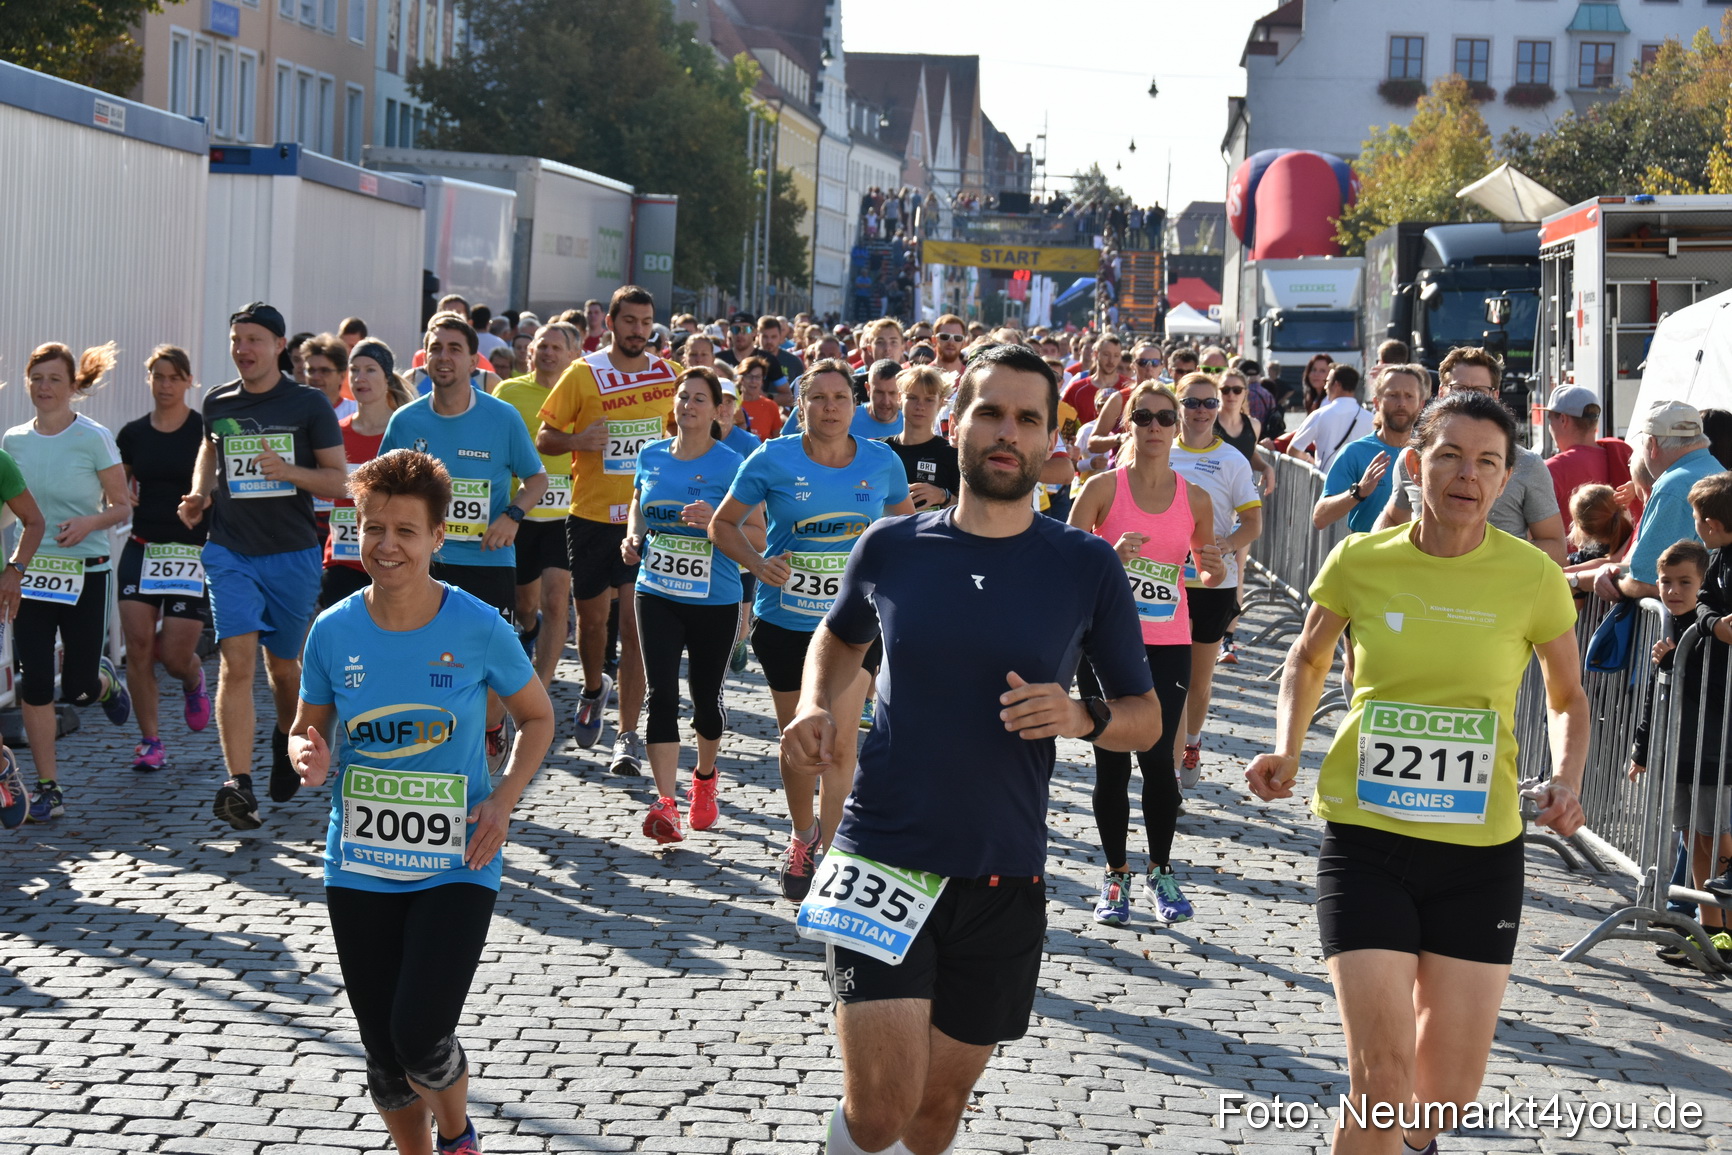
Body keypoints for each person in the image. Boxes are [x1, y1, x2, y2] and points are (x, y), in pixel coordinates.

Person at [778, 344, 1161, 1155]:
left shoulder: (1083, 564)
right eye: (990, 411)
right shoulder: (891, 545)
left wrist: (1078, 715)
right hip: (882, 854)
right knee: (880, 1109)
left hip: (1002, 869)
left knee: (933, 1114)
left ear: (1051, 442)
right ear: (955, 424)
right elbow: (838, 636)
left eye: (1028, 418)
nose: (1006, 432)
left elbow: (1146, 716)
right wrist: (815, 702)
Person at [1247, 389, 1588, 1155]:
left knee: (1446, 1093)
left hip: (1479, 852)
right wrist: (1287, 746)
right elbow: (1307, 658)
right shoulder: (1362, 559)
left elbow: (1568, 695)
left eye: (1487, 462)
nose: (1467, 475)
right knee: (1381, 1074)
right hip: (1369, 840)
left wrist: (1567, 775)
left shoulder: (1530, 577)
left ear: (1506, 481)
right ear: (1415, 463)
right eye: (1450, 455)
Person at [288, 448, 553, 1155]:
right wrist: (306, 753)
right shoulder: (334, 628)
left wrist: (502, 799)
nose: (387, 544)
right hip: (361, 860)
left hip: (458, 855)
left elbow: (537, 717)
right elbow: (305, 728)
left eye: (406, 530)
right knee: (383, 1056)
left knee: (419, 1032)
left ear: (439, 537)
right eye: (375, 527)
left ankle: (458, 1132)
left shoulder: (477, 626)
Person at [709, 358, 915, 900]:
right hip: (786, 622)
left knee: (841, 744)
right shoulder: (771, 458)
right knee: (802, 744)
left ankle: (832, 854)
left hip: (856, 626)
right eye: (818, 398)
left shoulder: (881, 460)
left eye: (840, 398)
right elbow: (721, 524)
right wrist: (757, 563)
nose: (830, 408)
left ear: (856, 404)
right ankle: (802, 835)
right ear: (801, 406)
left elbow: (905, 532)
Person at [186, 302, 349, 831]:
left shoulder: (307, 404)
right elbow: (211, 449)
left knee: (284, 668)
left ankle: (286, 739)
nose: (243, 349)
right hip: (230, 549)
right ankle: (240, 783)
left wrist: (288, 471)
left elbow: (338, 480)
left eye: (254, 339)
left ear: (279, 346)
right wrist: (198, 492)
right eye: (236, 339)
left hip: (291, 553)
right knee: (236, 660)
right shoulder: (218, 402)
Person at [1069, 381, 1225, 926]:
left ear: (1177, 426)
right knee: (1111, 764)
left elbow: (1204, 566)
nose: (1154, 426)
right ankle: (1115, 877)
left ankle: (1161, 871)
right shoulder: (1101, 488)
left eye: (1164, 417)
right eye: (1144, 417)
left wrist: (1212, 571)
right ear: (1130, 425)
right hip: (1107, 643)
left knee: (1159, 763)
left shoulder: (1195, 498)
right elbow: (1067, 562)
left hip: (1167, 642)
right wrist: (1110, 556)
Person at [380, 313, 548, 770]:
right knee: (423, 657)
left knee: (488, 668)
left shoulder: (501, 417)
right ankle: (433, 748)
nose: (444, 357)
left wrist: (512, 516)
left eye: (454, 349)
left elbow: (536, 478)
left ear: (474, 360)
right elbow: (383, 489)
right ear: (424, 357)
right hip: (425, 563)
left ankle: (493, 726)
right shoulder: (405, 421)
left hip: (489, 560)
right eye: (436, 348)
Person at [537, 285, 679, 774]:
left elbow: (687, 433)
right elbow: (545, 437)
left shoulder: (668, 377)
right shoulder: (584, 374)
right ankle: (594, 688)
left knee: (634, 629)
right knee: (593, 623)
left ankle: (628, 735)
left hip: (647, 521)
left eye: (646, 322)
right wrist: (579, 439)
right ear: (612, 324)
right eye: (630, 321)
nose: (639, 330)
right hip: (592, 516)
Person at [622, 367, 764, 844]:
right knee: (661, 694)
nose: (688, 405)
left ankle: (704, 779)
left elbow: (761, 534)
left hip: (715, 596)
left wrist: (717, 523)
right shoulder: (652, 455)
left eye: (699, 399)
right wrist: (633, 537)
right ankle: (665, 803)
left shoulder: (733, 465)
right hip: (656, 589)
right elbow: (639, 502)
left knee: (706, 701)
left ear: (716, 408)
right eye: (683, 397)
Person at [8, 343, 132, 820]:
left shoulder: (93, 437)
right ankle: (47, 787)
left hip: (86, 571)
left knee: (76, 687)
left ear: (72, 386)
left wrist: (88, 523)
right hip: (31, 573)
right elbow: (11, 509)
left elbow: (122, 506)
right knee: (35, 682)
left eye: (54, 379)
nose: (44, 387)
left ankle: (104, 682)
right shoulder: (14, 441)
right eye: (36, 378)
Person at [1628, 537, 1732, 962]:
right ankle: (1707, 931)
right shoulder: (1672, 624)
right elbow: (1660, 694)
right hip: (1681, 753)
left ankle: (1725, 933)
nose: (1671, 591)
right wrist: (1642, 748)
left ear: (1703, 585)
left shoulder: (1712, 630)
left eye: (1683, 582)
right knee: (1692, 838)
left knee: (1716, 837)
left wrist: (1675, 663)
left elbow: (1714, 689)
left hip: (1716, 754)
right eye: (1665, 581)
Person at [1376, 348, 1567, 566]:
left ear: (1495, 396)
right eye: (1459, 389)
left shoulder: (1528, 465)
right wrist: (1372, 560)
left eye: (1479, 390)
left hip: (1495, 594)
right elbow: (1392, 518)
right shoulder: (1417, 460)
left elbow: (1554, 545)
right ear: (1441, 393)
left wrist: (1486, 564)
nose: (1469, 398)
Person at [117, 345, 213, 773]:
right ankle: (150, 740)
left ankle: (193, 679)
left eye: (174, 377)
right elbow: (116, 485)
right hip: (142, 547)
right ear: (149, 381)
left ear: (189, 381)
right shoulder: (133, 434)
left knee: (173, 656)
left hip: (188, 552)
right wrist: (118, 493)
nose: (166, 385)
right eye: (158, 377)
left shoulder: (203, 431)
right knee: (137, 647)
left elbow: (218, 482)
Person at [1169, 372, 1262, 785]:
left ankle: (1191, 742)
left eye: (1209, 403)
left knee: (1198, 679)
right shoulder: (1157, 450)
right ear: (1179, 406)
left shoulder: (1232, 460)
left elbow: (1252, 524)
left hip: (1212, 583)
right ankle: (1164, 757)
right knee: (1164, 673)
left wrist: (1222, 547)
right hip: (1163, 580)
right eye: (1192, 403)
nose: (1202, 411)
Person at [491, 321, 582, 688]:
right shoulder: (509, 391)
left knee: (558, 599)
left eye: (557, 348)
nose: (548, 353)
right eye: (542, 346)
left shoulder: (582, 393)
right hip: (519, 511)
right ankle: (530, 629)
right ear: (529, 351)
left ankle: (541, 685)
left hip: (565, 514)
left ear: (574, 355)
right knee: (525, 603)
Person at [320, 339, 413, 611]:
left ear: (387, 376)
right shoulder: (334, 433)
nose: (360, 378)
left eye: (370, 369)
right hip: (342, 558)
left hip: (392, 556)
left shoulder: (406, 431)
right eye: (354, 369)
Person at [1313, 364, 1428, 535]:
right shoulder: (1354, 453)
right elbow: (1320, 517)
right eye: (1393, 395)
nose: (1401, 403)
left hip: (1418, 559)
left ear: (1421, 404)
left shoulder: (1431, 454)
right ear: (1377, 402)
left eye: (1409, 396)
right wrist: (1359, 492)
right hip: (1368, 557)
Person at [1541, 384, 1632, 536]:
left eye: (1550, 420)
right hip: (1623, 555)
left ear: (1563, 419)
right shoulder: (1625, 456)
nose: (1549, 427)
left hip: (1566, 559)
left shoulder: (1550, 470)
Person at [883, 366, 960, 512]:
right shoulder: (881, 450)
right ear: (900, 398)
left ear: (941, 402)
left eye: (929, 400)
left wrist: (944, 496)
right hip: (889, 533)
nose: (920, 406)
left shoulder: (951, 453)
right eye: (912, 398)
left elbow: (970, 512)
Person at [1284, 364, 1371, 473]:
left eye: (1327, 381)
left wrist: (1310, 460)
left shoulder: (1319, 415)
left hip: (1326, 482)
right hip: (1360, 484)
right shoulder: (1370, 419)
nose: (1325, 387)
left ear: (1336, 385)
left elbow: (1293, 450)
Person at [851, 361, 905, 440]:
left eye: (892, 393)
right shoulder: (847, 420)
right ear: (868, 389)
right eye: (879, 392)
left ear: (902, 392)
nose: (886, 401)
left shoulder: (912, 425)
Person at [737, 355, 785, 439]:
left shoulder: (771, 406)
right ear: (741, 379)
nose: (753, 381)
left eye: (758, 377)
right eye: (749, 376)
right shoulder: (734, 405)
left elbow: (776, 439)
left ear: (762, 380)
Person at [931, 313, 968, 379]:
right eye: (945, 337)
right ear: (934, 340)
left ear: (963, 343)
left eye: (957, 338)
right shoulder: (922, 377)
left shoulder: (971, 378)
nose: (951, 342)